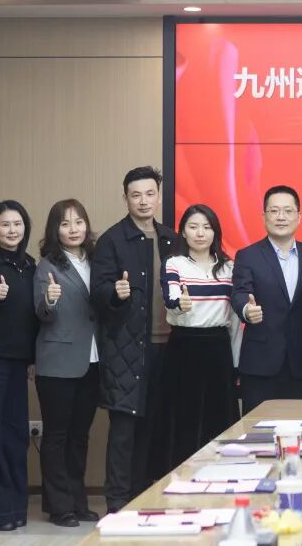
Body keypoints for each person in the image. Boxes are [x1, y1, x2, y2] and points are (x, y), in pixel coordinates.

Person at [91, 167, 177, 513]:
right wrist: (115, 291)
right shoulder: (112, 240)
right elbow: (97, 293)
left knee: (156, 426)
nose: (143, 201)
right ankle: (117, 501)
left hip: (168, 348)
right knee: (125, 429)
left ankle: (144, 495)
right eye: (136, 195)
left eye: (150, 194)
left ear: (159, 196)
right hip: (126, 349)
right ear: (125, 198)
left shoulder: (171, 238)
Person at [157, 204, 242, 470]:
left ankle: (221, 476)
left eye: (207, 227)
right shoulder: (174, 263)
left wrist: (236, 363)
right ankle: (181, 477)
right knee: (184, 418)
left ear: (215, 232)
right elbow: (171, 297)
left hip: (218, 348)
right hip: (184, 347)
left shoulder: (229, 267)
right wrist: (179, 304)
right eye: (193, 227)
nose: (200, 233)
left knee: (219, 419)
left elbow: (234, 321)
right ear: (183, 231)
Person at [33, 199, 101, 527]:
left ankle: (77, 501)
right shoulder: (47, 265)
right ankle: (59, 507)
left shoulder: (98, 261)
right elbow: (41, 312)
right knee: (57, 436)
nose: (73, 229)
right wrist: (49, 300)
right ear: (55, 230)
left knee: (79, 436)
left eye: (78, 222)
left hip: (93, 359)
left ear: (86, 225)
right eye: (65, 223)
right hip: (57, 363)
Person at [231, 186, 302, 414]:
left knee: (301, 427)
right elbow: (240, 292)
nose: (281, 217)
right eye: (274, 211)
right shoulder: (248, 255)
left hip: (301, 365)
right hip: (260, 364)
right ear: (264, 216)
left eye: (288, 211)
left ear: (299, 217)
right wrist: (246, 310)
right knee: (256, 429)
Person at [0, 200, 37, 532]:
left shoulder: (30, 264)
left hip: (18, 360)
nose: (12, 230)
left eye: (17, 224)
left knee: (15, 435)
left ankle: (14, 509)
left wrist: (33, 358)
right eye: (4, 224)